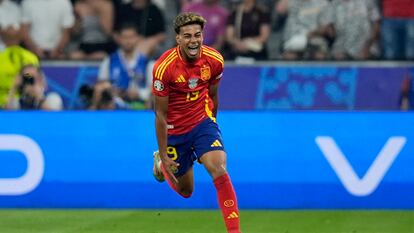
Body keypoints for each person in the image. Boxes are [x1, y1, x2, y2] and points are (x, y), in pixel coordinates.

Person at [152, 12, 241, 233]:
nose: (193, 41)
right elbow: (160, 115)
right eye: (188, 36)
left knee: (218, 166)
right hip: (175, 131)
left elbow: (213, 96)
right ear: (178, 39)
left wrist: (211, 132)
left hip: (202, 122)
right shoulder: (164, 68)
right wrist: (164, 154)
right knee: (186, 191)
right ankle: (161, 165)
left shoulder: (214, 60)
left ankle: (234, 231)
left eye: (197, 35)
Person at [97, 23, 151, 109]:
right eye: (125, 37)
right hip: (115, 106)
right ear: (118, 39)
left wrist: (139, 94)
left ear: (138, 38)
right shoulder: (109, 61)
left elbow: (155, 89)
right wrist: (114, 92)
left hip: (141, 106)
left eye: (131, 37)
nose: (128, 41)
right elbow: (101, 86)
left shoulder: (147, 62)